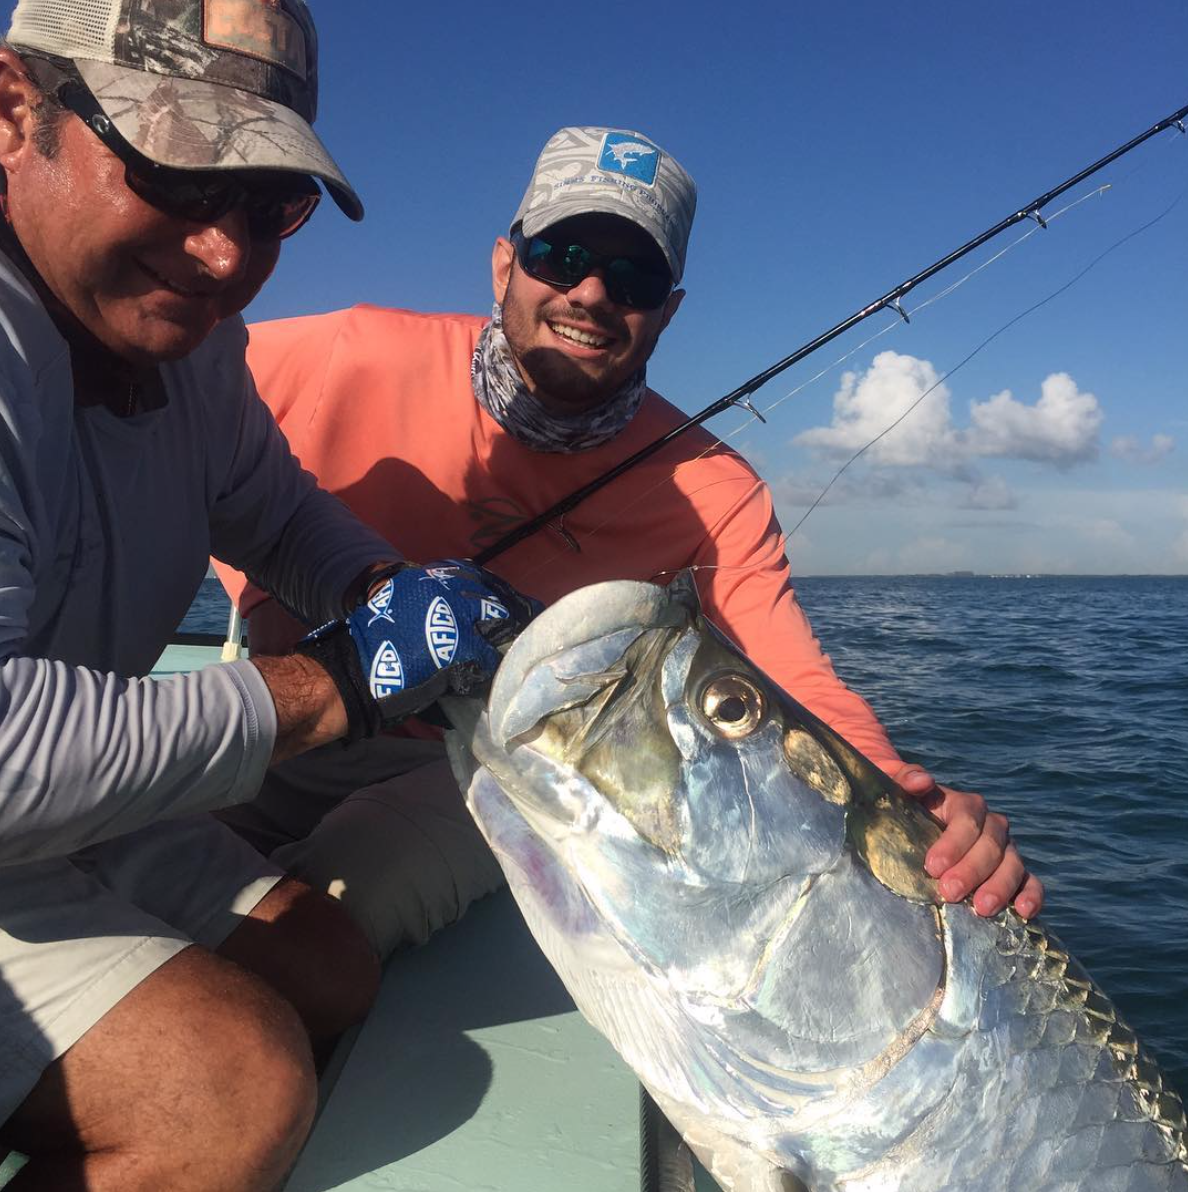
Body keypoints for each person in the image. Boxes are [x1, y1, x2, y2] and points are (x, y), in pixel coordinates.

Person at [216, 126, 1044, 964]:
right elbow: (164, 409)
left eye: (634, 276)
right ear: (506, 264)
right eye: (561, 254)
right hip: (285, 706)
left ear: (669, 308)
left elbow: (792, 678)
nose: (591, 292)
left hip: (491, 775)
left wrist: (917, 811)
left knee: (320, 924)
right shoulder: (336, 355)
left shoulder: (716, 487)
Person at [0, 2, 534, 1187]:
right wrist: (339, 678)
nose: (225, 255)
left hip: (44, 819)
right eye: (174, 169)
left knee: (332, 971)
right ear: (13, 112)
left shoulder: (188, 350)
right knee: (229, 1088)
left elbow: (276, 510)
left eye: (266, 204)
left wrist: (381, 584)